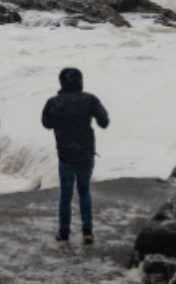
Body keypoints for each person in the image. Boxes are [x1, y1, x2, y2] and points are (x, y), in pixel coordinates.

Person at [42, 68, 109, 244]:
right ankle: (87, 232)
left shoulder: (54, 102)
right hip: (86, 154)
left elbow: (47, 124)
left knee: (65, 194)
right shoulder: (90, 100)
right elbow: (104, 122)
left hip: (65, 155)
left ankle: (64, 233)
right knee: (84, 191)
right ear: (80, 81)